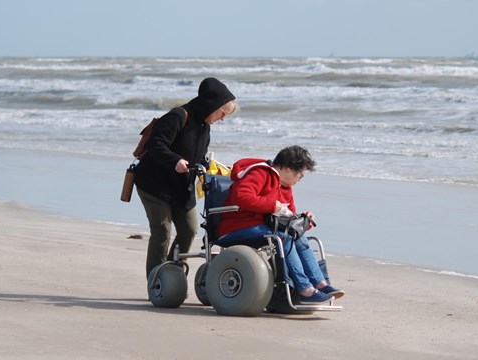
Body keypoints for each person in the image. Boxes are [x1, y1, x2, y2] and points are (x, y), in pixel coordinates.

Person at [134, 77, 237, 279]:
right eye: (223, 113)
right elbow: (156, 145)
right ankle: (157, 281)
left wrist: (213, 167)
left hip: (182, 188)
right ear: (212, 105)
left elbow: (199, 156)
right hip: (154, 185)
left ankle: (174, 274)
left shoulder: (205, 126)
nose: (223, 119)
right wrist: (175, 161)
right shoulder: (177, 116)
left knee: (189, 230)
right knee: (162, 231)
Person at [216, 145, 344, 304]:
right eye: (300, 175)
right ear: (290, 169)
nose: (299, 180)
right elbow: (240, 196)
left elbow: (290, 220)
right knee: (284, 238)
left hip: (265, 228)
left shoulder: (286, 188)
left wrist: (304, 220)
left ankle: (320, 283)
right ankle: (305, 289)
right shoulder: (260, 173)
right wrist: (272, 205)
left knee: (299, 237)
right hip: (237, 226)